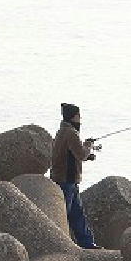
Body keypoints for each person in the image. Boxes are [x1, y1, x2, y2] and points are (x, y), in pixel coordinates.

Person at [51, 103, 101, 249]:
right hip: (66, 180)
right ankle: (64, 244)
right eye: (79, 115)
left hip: (65, 179)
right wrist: (88, 145)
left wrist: (88, 155)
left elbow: (71, 153)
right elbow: (80, 154)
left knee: (77, 214)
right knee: (66, 215)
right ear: (74, 116)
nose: (80, 118)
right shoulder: (71, 133)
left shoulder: (62, 131)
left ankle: (87, 244)